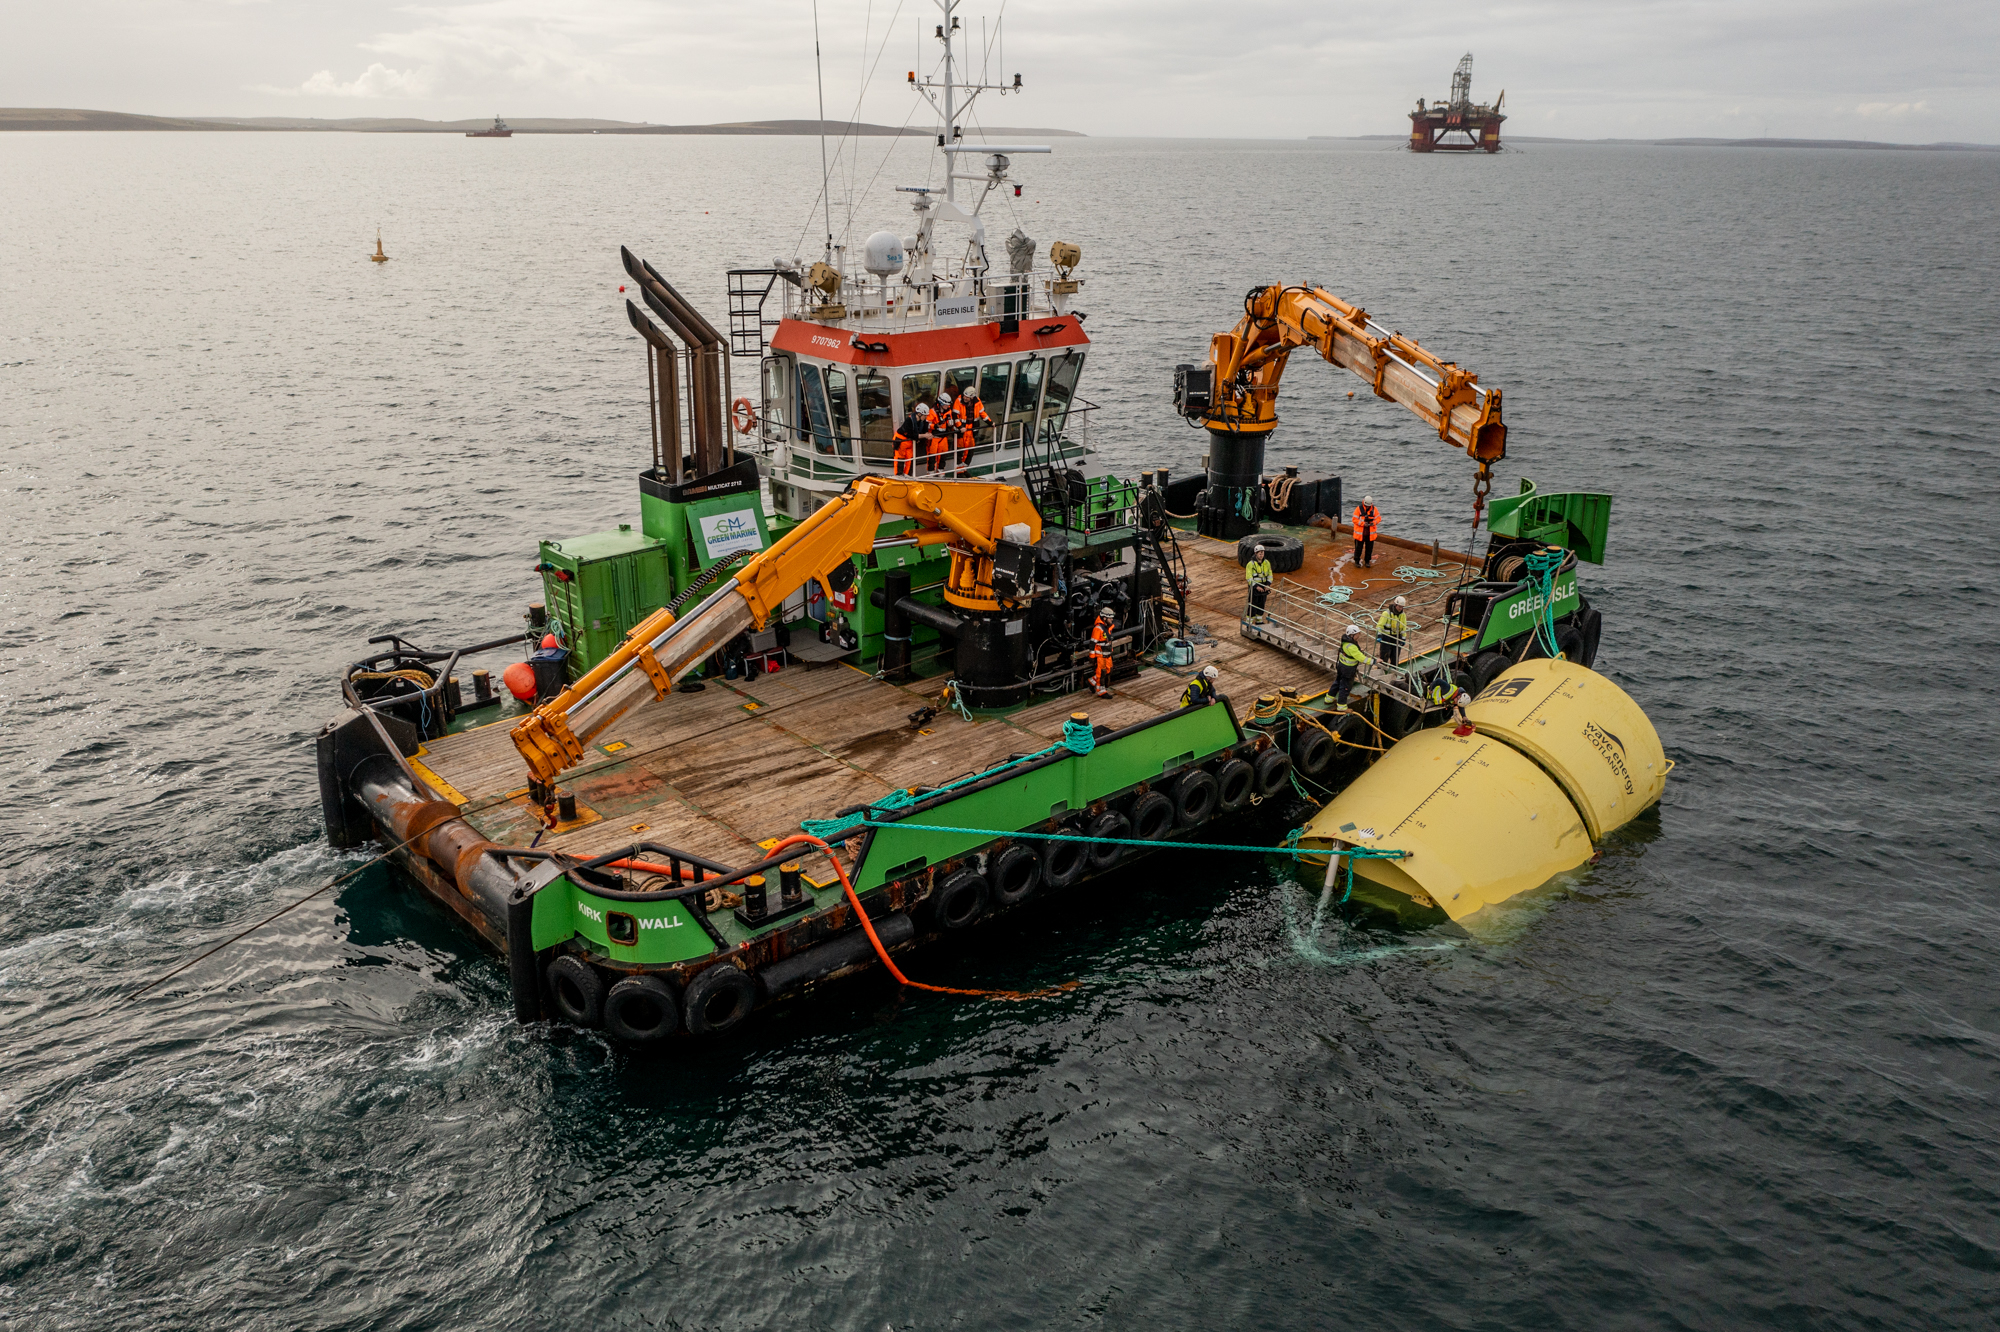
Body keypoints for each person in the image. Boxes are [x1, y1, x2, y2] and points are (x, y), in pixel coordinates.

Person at [950, 382, 990, 472]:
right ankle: (959, 471)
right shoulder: (958, 401)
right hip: (961, 431)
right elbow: (955, 416)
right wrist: (960, 427)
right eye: (964, 396)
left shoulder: (977, 402)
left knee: (970, 451)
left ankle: (963, 469)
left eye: (967, 397)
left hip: (971, 430)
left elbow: (982, 413)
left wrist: (990, 423)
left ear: (972, 397)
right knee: (959, 451)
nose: (965, 398)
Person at [1334, 625, 1368, 707]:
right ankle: (1341, 706)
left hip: (1341, 665)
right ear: (1352, 635)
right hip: (1348, 669)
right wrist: (1374, 661)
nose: (1359, 635)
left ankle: (1329, 698)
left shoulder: (1346, 642)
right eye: (1357, 634)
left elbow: (1350, 652)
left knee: (1337, 682)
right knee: (1345, 687)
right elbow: (1362, 659)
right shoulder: (1352, 646)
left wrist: (1358, 651)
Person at [892, 404, 927, 476]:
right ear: (919, 414)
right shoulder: (909, 420)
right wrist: (924, 435)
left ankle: (908, 475)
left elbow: (919, 432)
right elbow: (911, 434)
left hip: (909, 442)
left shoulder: (921, 422)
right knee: (899, 460)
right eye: (925, 415)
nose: (926, 417)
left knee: (910, 460)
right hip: (901, 440)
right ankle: (899, 476)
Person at [1243, 544, 1274, 622]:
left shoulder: (1267, 563)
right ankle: (1249, 622)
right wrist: (1256, 586)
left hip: (1264, 587)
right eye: (1259, 553)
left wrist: (1268, 585)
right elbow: (1249, 578)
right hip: (1254, 588)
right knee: (1252, 605)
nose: (1261, 555)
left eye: (1262, 553)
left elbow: (1270, 575)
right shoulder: (1250, 564)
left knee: (1261, 604)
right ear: (1255, 554)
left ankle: (1259, 620)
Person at [1090, 608, 1115, 698]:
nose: (1112, 620)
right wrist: (1092, 657)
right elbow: (1092, 644)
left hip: (1107, 653)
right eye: (1110, 618)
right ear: (1104, 618)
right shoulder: (1098, 629)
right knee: (1101, 673)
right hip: (1100, 655)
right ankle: (1101, 691)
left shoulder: (1108, 627)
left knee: (1109, 670)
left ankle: (1092, 681)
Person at [1376, 594, 1408, 664]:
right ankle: (1382, 669)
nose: (1400, 609)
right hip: (1386, 637)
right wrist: (1379, 635)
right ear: (1395, 605)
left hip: (1397, 638)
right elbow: (1380, 626)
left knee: (1395, 658)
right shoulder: (1386, 613)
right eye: (1399, 606)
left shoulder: (1403, 615)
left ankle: (1394, 670)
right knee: (1384, 656)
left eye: (1402, 607)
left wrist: (1403, 638)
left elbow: (1403, 627)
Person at [1351, 495, 1381, 568]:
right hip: (1360, 534)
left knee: (1369, 549)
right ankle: (1357, 561)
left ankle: (1367, 561)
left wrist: (1373, 523)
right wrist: (1363, 523)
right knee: (1358, 549)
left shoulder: (1374, 509)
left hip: (1370, 534)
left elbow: (1378, 518)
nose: (1367, 507)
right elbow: (1354, 519)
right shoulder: (1358, 509)